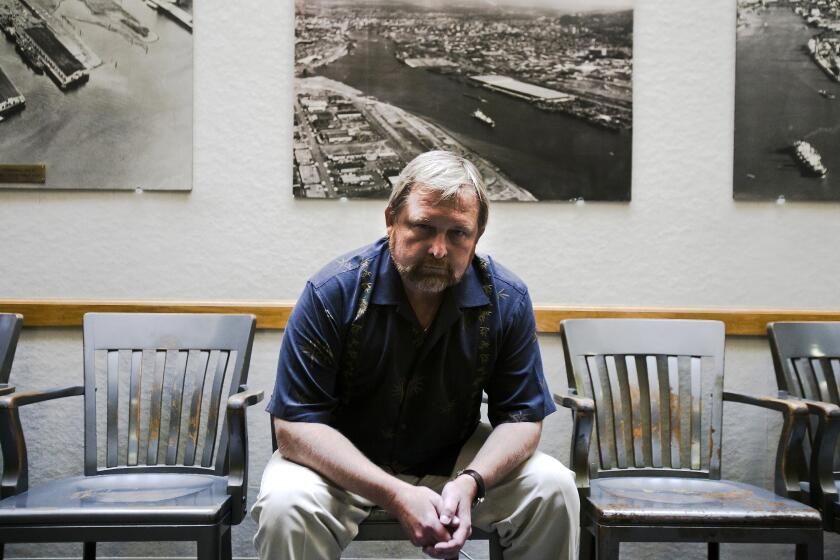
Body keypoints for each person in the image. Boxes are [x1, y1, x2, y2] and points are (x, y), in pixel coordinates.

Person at [252, 150, 579, 559]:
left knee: (554, 488)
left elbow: (522, 417)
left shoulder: (507, 300)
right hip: (342, 463)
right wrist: (394, 492)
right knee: (286, 506)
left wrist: (471, 482)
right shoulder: (332, 293)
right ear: (391, 220)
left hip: (455, 458)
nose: (439, 250)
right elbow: (295, 427)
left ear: (477, 235)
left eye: (458, 233)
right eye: (423, 227)